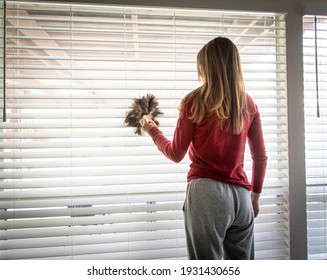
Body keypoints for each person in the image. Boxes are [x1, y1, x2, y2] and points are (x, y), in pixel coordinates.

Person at [140, 36, 267, 260]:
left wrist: (152, 130)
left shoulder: (194, 101)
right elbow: (260, 157)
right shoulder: (248, 104)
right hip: (241, 197)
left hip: (208, 194)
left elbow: (175, 153)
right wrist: (255, 197)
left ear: (206, 67)